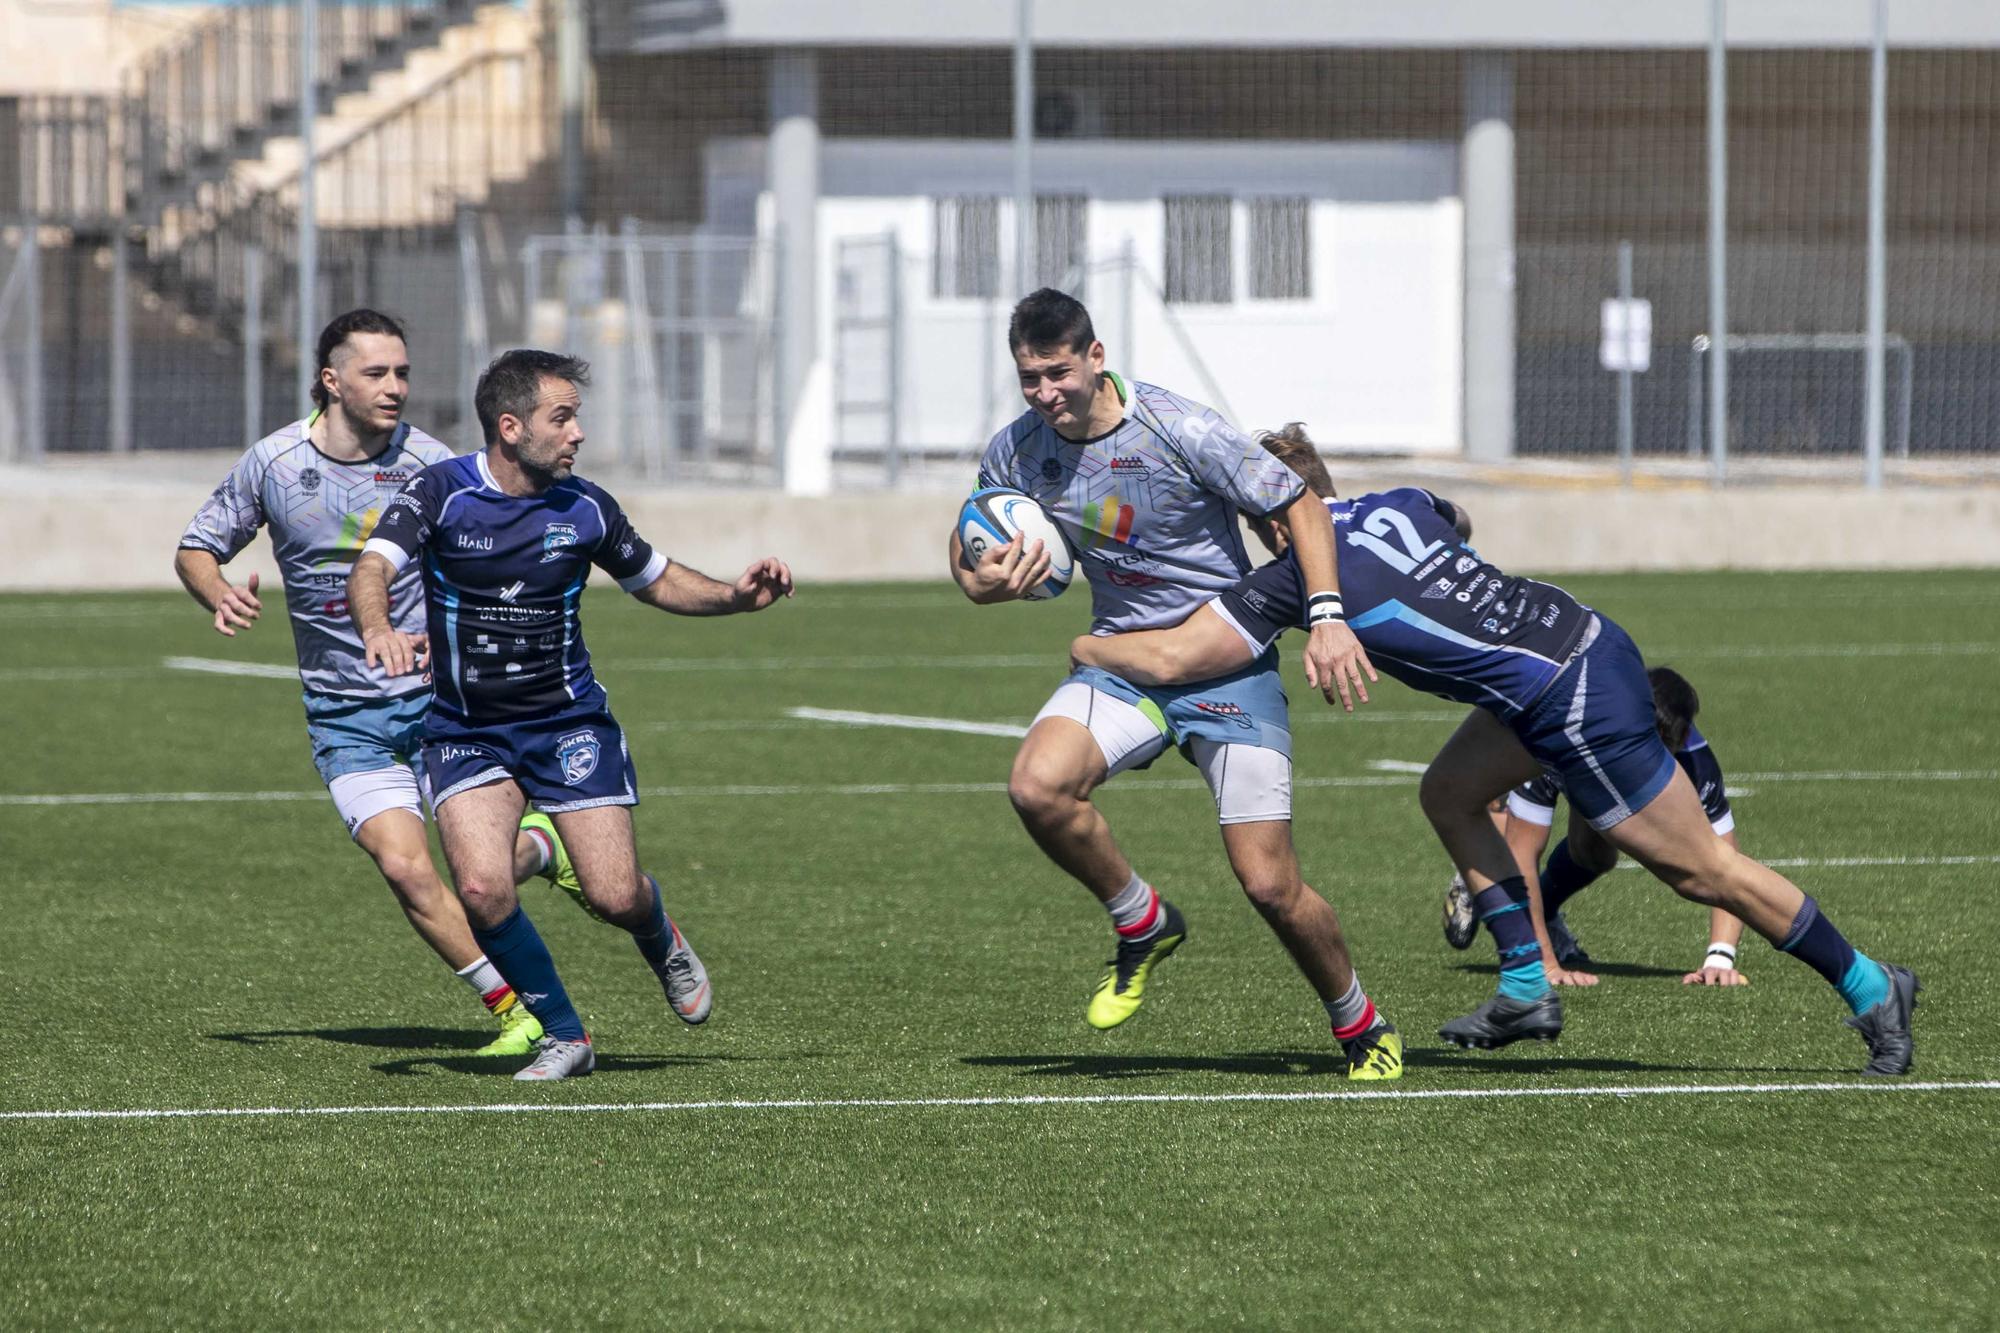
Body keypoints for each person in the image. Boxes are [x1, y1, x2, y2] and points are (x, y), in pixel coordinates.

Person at [1066, 424, 1920, 1076]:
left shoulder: (1292, 576)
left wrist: (1090, 647)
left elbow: (1178, 657)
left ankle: (1873, 988)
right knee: (1447, 791)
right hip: (1567, 641)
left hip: (1567, 692)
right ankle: (1523, 990)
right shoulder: (1397, 500)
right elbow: (1454, 516)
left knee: (1701, 870)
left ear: (1271, 519)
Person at [949, 290, 1401, 1080]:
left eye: (1058, 373)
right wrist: (981, 582)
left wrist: (1327, 615)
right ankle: (1142, 920)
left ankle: (1358, 1019)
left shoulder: (1176, 426)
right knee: (1038, 786)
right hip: (1126, 662)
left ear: (1096, 358)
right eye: (1029, 378)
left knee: (1269, 882)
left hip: (1223, 661)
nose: (1045, 393)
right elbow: (970, 543)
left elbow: (1300, 504)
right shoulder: (1017, 451)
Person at [348, 348, 794, 1081]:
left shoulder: (584, 506)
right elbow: (373, 566)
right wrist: (377, 628)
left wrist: (734, 597)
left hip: (567, 725)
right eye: (564, 417)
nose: (578, 432)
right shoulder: (440, 493)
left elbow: (654, 579)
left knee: (615, 893)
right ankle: (565, 1034)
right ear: (512, 426)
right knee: (484, 888)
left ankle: (660, 935)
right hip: (466, 729)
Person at [175, 309, 581, 1057]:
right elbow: (197, 546)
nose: (395, 387)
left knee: (476, 875)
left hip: (442, 704)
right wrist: (219, 590)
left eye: (402, 372)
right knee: (402, 864)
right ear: (332, 381)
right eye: (376, 373)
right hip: (343, 714)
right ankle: (512, 1008)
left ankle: (537, 852)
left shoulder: (432, 464)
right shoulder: (273, 463)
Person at [1446, 667, 1753, 987]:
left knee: (1595, 856)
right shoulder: (1561, 734)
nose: (1644, 761)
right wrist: (1545, 964)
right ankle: (1481, 853)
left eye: (1659, 752)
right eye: (1639, 744)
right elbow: (1523, 854)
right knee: (1510, 847)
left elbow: (1726, 861)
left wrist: (1720, 957)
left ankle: (1544, 910)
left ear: (1684, 738)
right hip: (1522, 734)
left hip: (1589, 757)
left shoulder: (1696, 761)